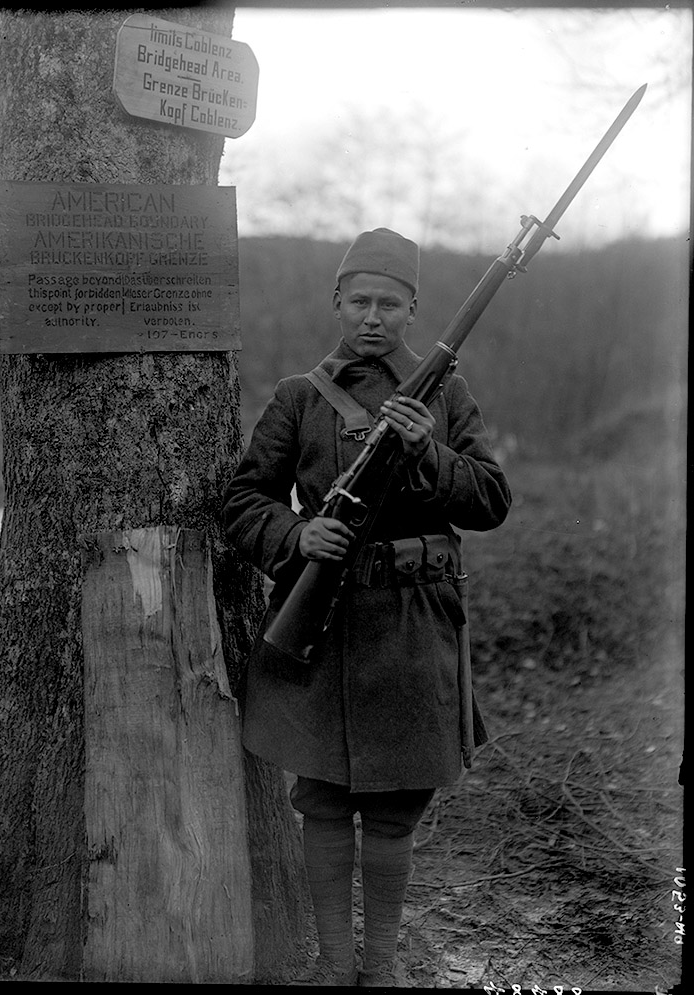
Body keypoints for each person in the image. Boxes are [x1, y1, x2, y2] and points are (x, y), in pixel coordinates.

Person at [222, 228, 511, 987]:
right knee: (320, 797)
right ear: (337, 303)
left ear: (413, 310)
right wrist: (295, 533)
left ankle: (379, 966)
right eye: (360, 301)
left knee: (394, 809)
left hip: (415, 624)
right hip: (325, 621)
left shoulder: (446, 393)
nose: (373, 317)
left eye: (390, 302)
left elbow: (490, 499)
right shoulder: (298, 397)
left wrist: (430, 453)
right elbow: (244, 499)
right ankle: (332, 961)